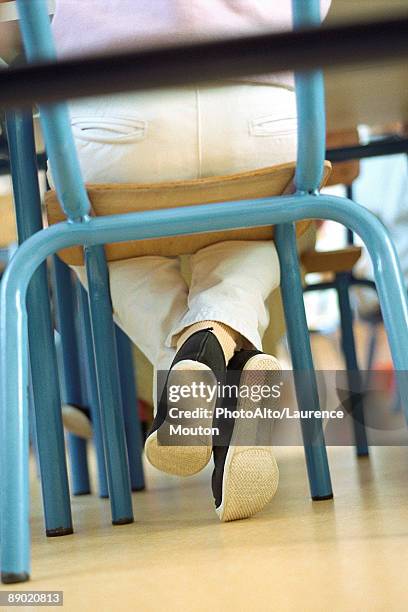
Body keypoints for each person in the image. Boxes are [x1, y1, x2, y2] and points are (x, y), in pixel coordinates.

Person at [51, 0, 331, 522]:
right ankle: (224, 346)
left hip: (119, 119)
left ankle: (183, 359)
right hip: (263, 119)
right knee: (266, 226)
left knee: (85, 236)